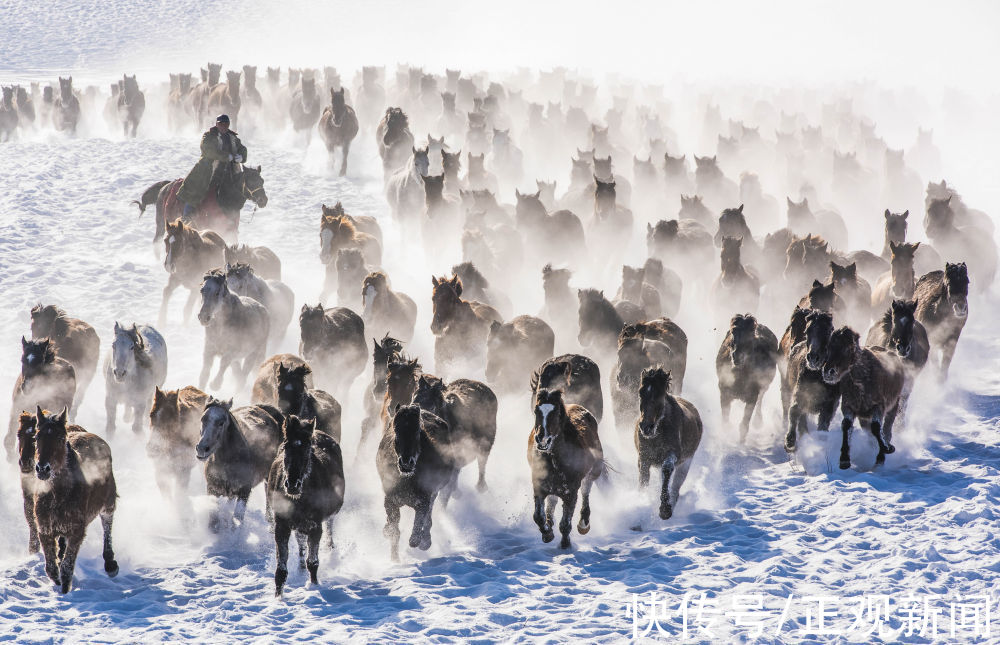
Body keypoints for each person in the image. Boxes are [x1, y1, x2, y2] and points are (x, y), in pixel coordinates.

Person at [176, 114, 248, 218]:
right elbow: (207, 150)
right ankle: (187, 216)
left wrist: (241, 156)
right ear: (216, 124)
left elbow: (242, 148)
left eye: (226, 124)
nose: (223, 126)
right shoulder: (209, 136)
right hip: (207, 170)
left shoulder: (232, 137)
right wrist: (226, 156)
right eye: (221, 124)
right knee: (196, 190)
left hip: (228, 172)